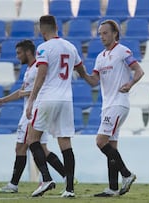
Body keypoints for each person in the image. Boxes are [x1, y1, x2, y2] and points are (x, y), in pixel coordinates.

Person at [78, 19, 144, 197]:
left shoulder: (123, 51)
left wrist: (130, 84)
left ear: (115, 33)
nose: (102, 36)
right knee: (111, 146)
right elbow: (93, 81)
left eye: (105, 33)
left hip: (118, 103)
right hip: (107, 106)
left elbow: (139, 71)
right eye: (99, 34)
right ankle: (113, 188)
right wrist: (82, 72)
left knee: (100, 142)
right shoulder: (100, 57)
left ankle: (127, 174)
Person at [0, 40, 66, 193]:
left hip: (32, 113)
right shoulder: (29, 69)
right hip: (36, 111)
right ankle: (67, 176)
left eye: (19, 53)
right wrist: (3, 100)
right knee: (42, 149)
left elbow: (42, 88)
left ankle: (21, 183)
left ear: (27, 52)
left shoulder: (38, 68)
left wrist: (27, 94)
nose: (17, 56)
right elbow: (22, 91)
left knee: (21, 147)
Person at [25, 15, 85, 198]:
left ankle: (46, 178)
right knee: (65, 144)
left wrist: (31, 100)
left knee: (32, 139)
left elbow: (41, 75)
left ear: (42, 30)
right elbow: (82, 72)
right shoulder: (70, 47)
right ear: (57, 27)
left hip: (48, 98)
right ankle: (69, 189)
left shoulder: (43, 48)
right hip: (66, 100)